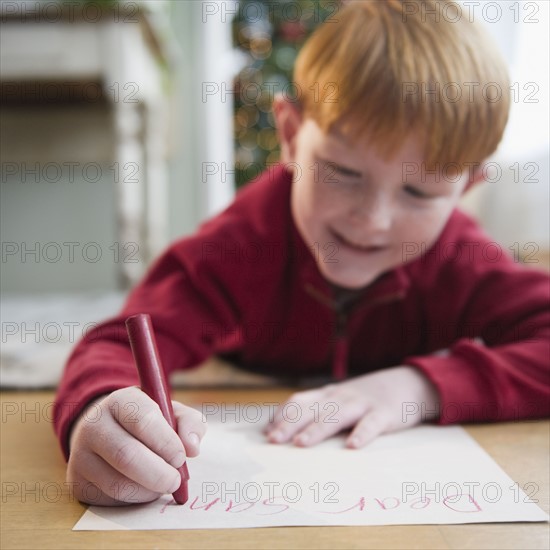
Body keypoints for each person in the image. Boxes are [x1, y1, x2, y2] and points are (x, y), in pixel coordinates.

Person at [54, 0, 550, 505]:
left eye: (420, 194)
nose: (372, 220)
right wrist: (99, 411)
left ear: (467, 186)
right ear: (290, 136)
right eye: (343, 173)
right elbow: (117, 345)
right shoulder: (241, 242)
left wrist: (419, 388)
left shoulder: (460, 256)